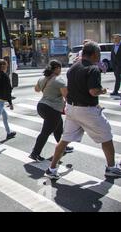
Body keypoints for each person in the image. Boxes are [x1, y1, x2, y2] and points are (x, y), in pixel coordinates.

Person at [45, 41, 121, 179]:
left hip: (72, 108)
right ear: (94, 54)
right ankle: (111, 168)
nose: (98, 56)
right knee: (106, 136)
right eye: (98, 54)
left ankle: (52, 168)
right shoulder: (93, 69)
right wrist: (102, 90)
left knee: (65, 139)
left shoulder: (73, 68)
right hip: (87, 110)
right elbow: (93, 91)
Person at [29, 60, 73, 162]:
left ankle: (63, 147)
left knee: (58, 128)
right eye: (60, 68)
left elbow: (36, 89)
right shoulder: (59, 80)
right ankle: (35, 153)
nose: (60, 70)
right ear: (57, 69)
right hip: (52, 109)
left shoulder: (42, 79)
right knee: (46, 132)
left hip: (41, 106)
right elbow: (66, 96)